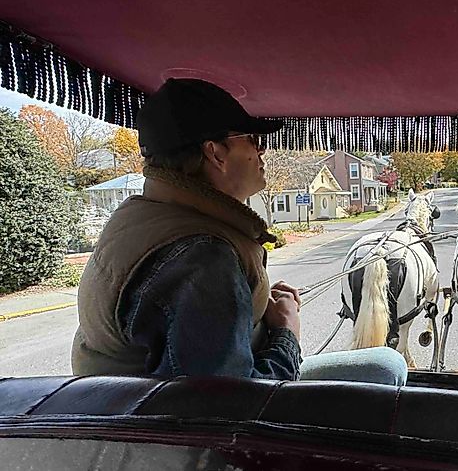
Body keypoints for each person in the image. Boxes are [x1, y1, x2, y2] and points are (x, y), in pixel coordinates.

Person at [71, 78, 407, 385]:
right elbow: (233, 407)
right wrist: (287, 330)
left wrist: (246, 305)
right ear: (215, 152)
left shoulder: (145, 217)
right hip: (200, 429)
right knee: (387, 366)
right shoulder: (203, 257)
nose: (261, 151)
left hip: (133, 410)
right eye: (253, 140)